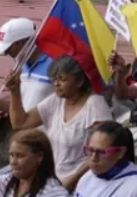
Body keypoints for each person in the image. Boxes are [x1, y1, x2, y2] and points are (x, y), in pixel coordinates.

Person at [6, 54, 111, 188]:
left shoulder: (95, 105)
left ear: (79, 81)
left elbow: (104, 150)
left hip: (86, 183)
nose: (56, 83)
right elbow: (20, 123)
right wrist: (15, 92)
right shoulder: (55, 101)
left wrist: (72, 181)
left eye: (62, 79)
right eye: (54, 79)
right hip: (56, 182)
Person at [0, 130, 70, 197]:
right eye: (11, 155)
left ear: (39, 157)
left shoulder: (53, 195)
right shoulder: (4, 181)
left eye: (20, 156)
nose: (13, 162)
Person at [0, 18, 53, 116]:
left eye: (8, 48)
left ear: (22, 42)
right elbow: (23, 110)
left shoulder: (55, 65)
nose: (6, 53)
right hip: (26, 130)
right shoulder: (19, 69)